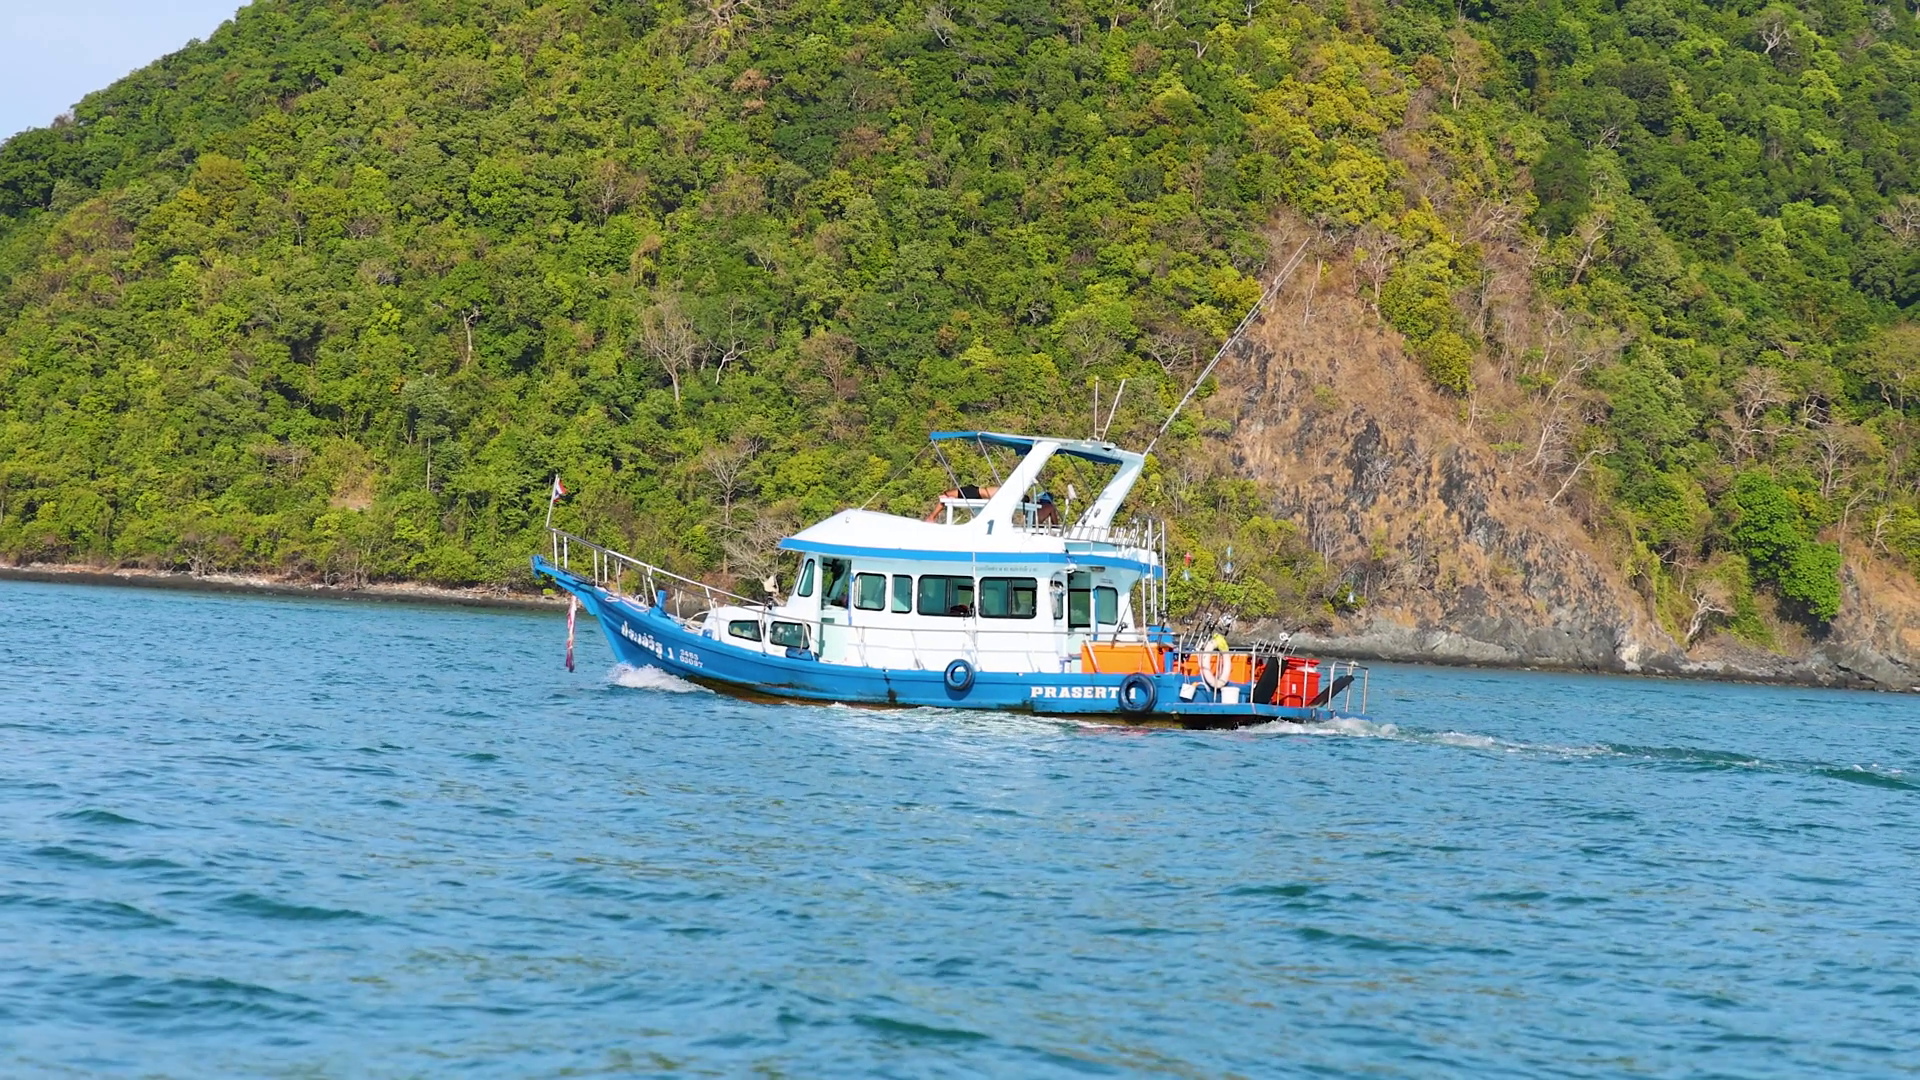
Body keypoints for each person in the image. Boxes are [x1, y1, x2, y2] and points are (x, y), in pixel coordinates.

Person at [924, 483, 999, 521]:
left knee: (945, 495)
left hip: (976, 493)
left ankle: (931, 517)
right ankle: (931, 517)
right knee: (945, 496)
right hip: (974, 493)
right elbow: (943, 497)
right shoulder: (970, 492)